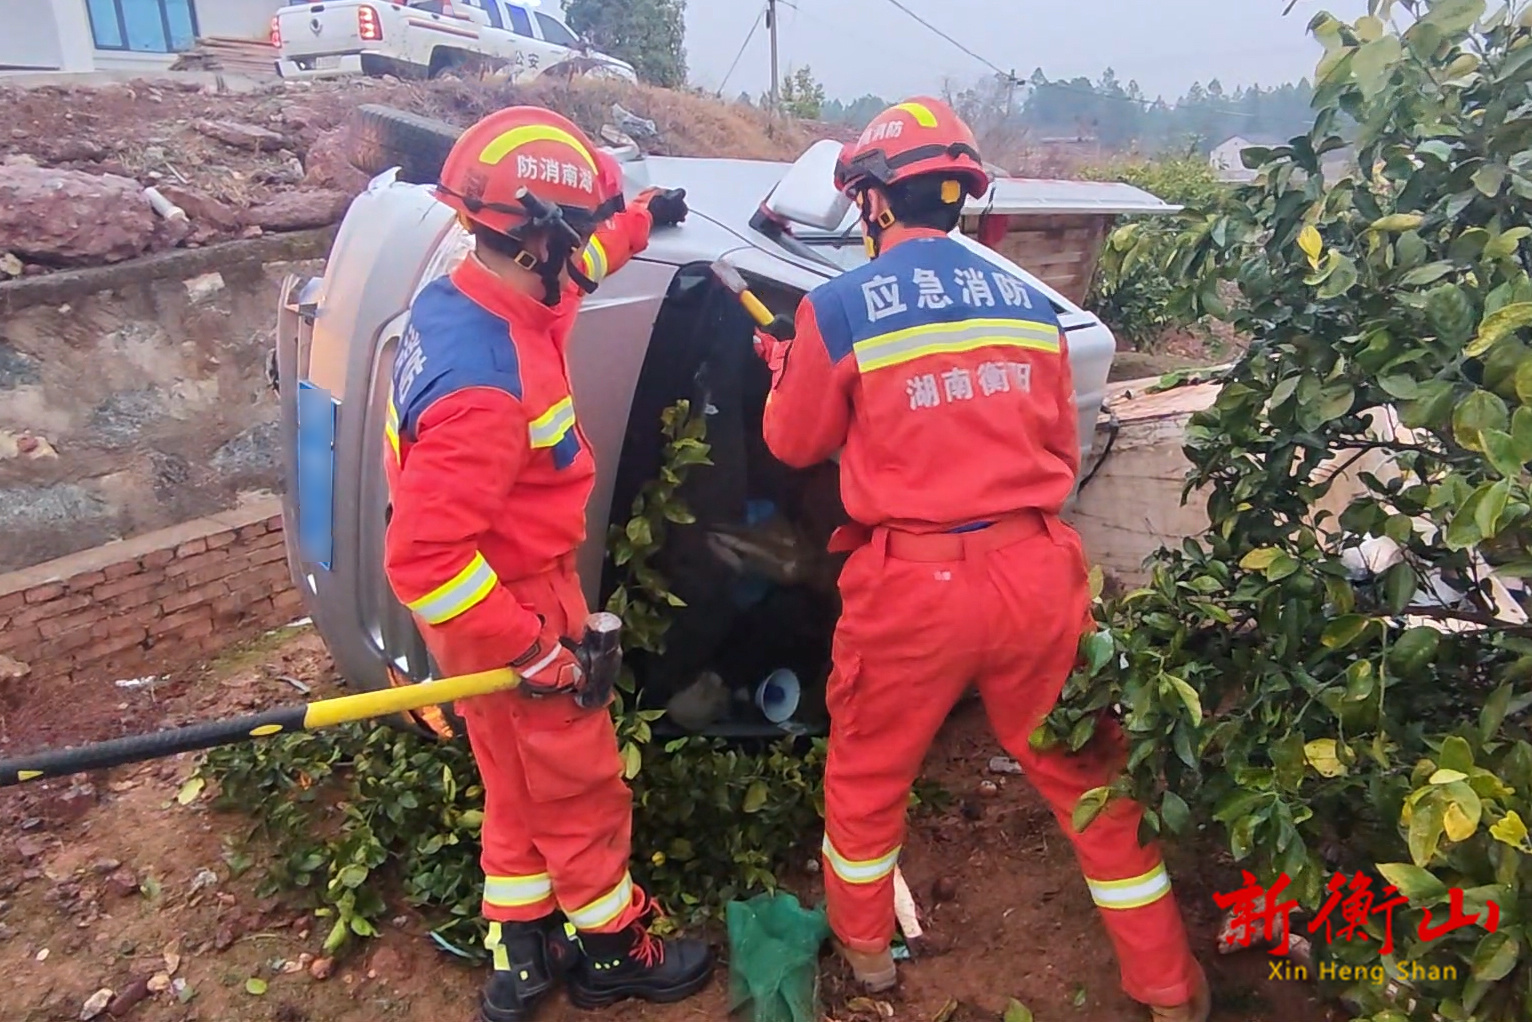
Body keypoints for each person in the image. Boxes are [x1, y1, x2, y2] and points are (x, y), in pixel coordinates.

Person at [753, 97, 1211, 1022]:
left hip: (913, 587)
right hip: (1039, 573)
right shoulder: (1029, 303)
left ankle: (870, 959)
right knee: (1091, 781)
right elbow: (1058, 441)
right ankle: (1170, 989)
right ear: (957, 195)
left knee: (870, 778)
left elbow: (797, 445)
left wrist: (787, 366)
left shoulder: (838, 310)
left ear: (874, 203)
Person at [381, 106, 714, 1022]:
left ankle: (518, 954)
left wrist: (639, 216)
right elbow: (424, 556)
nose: (584, 256)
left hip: (477, 613)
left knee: (514, 781)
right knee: (579, 784)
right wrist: (533, 649)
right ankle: (612, 950)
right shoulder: (486, 389)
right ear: (539, 240)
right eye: (578, 236)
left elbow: (583, 269)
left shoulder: (475, 296)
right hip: (507, 604)